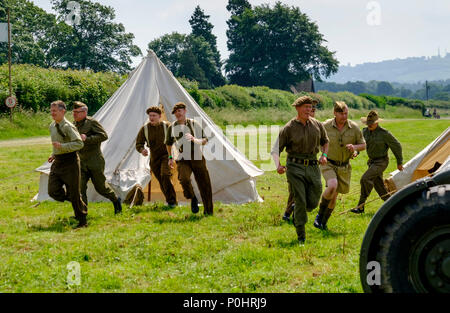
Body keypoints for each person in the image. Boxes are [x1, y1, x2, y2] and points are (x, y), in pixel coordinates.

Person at [272, 96, 329, 245]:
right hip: (294, 167)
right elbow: (275, 149)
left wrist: (324, 155)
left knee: (315, 198)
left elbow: (325, 141)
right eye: (305, 107)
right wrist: (278, 165)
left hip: (313, 165)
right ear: (297, 108)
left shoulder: (317, 125)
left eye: (310, 107)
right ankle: (301, 235)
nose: (308, 110)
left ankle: (296, 208)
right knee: (301, 199)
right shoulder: (288, 128)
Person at [315, 101, 366, 230]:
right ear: (334, 113)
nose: (344, 116)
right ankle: (319, 216)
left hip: (344, 167)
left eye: (346, 113)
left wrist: (355, 148)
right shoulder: (325, 125)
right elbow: (316, 140)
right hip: (329, 163)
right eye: (341, 114)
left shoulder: (354, 127)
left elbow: (363, 145)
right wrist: (322, 154)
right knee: (332, 185)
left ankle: (323, 223)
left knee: (334, 197)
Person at [72, 101, 122, 214]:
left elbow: (104, 136)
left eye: (77, 112)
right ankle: (82, 213)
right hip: (81, 161)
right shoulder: (73, 125)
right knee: (80, 189)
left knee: (101, 188)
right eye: (73, 112)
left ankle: (116, 200)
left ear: (84, 112)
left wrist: (87, 139)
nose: (74, 114)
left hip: (95, 161)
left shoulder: (92, 122)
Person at [165, 102, 213, 215]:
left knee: (204, 183)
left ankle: (208, 211)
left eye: (179, 111)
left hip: (196, 156)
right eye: (175, 112)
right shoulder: (172, 127)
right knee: (184, 179)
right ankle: (193, 198)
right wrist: (170, 157)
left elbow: (205, 140)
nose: (178, 113)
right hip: (182, 157)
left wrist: (194, 139)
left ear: (185, 111)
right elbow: (168, 143)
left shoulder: (194, 123)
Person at [351, 110, 404, 213]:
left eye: (372, 124)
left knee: (365, 179)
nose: (369, 125)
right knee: (380, 187)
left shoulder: (385, 134)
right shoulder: (364, 132)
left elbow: (397, 146)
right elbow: (360, 144)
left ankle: (360, 206)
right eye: (368, 123)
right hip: (371, 162)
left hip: (382, 162)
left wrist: (399, 162)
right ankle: (394, 206)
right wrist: (356, 152)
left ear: (377, 123)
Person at [47, 100, 88, 228]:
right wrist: (54, 154)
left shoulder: (68, 126)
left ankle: (82, 221)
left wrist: (62, 147)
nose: (52, 113)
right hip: (58, 161)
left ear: (62, 111)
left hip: (70, 162)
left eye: (55, 111)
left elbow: (79, 143)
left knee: (74, 192)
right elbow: (57, 144)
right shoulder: (52, 126)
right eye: (51, 110)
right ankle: (76, 201)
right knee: (52, 190)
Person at [281, 101, 318, 222]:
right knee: (295, 192)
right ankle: (287, 213)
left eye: (313, 110)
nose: (311, 112)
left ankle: (294, 211)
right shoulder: (292, 126)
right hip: (295, 165)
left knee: (305, 192)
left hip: (310, 165)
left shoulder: (316, 126)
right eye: (309, 109)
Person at [136, 106, 177, 207]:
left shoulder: (167, 126)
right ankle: (170, 201)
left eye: (154, 115)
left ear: (160, 116)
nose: (152, 118)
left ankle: (172, 201)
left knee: (165, 175)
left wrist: (172, 156)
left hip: (166, 156)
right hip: (154, 158)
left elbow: (176, 139)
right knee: (162, 181)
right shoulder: (145, 129)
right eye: (150, 116)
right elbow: (139, 144)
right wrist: (142, 150)